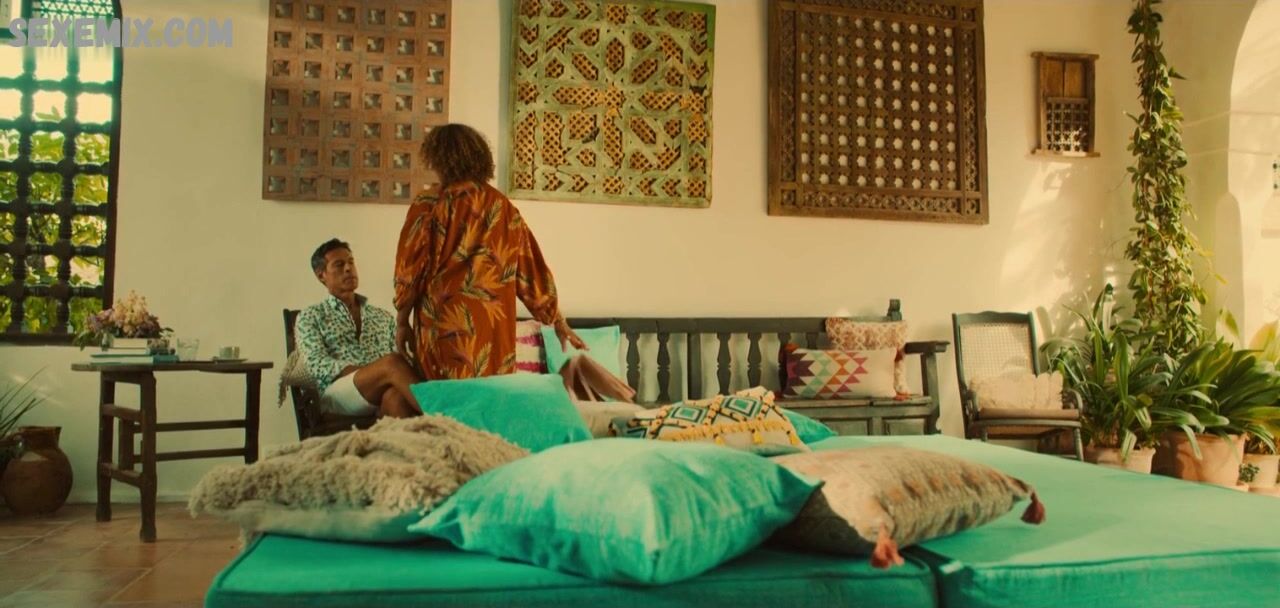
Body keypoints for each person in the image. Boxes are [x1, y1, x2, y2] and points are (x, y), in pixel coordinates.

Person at [394, 123, 585, 380]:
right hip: (492, 327)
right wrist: (558, 321)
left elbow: (410, 270)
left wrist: (401, 321)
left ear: (437, 158)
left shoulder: (429, 204)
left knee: (446, 396)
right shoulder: (502, 206)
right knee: (490, 394)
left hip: (444, 323)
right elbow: (529, 268)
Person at [296, 238, 422, 418]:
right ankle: (449, 417)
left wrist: (379, 374)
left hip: (383, 387)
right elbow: (318, 366)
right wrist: (373, 371)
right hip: (337, 394)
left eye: (351, 262)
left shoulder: (382, 316)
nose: (348, 268)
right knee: (391, 364)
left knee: (395, 397)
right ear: (321, 275)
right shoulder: (310, 316)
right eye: (339, 265)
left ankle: (409, 437)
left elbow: (401, 358)